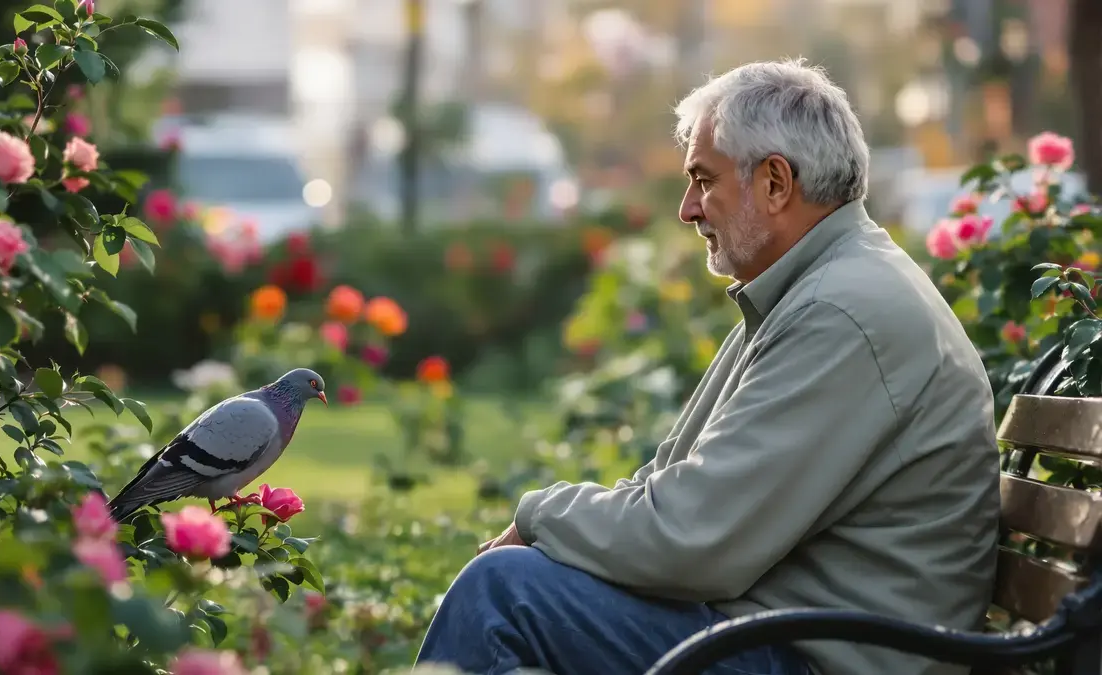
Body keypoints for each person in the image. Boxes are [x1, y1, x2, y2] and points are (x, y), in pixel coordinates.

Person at [414, 58, 1001, 675]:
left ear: (776, 183)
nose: (687, 209)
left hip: (811, 657)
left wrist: (540, 516)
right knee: (518, 585)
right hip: (784, 636)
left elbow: (692, 542)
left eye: (703, 179)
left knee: (504, 592)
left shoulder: (843, 310)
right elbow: (673, 489)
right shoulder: (819, 287)